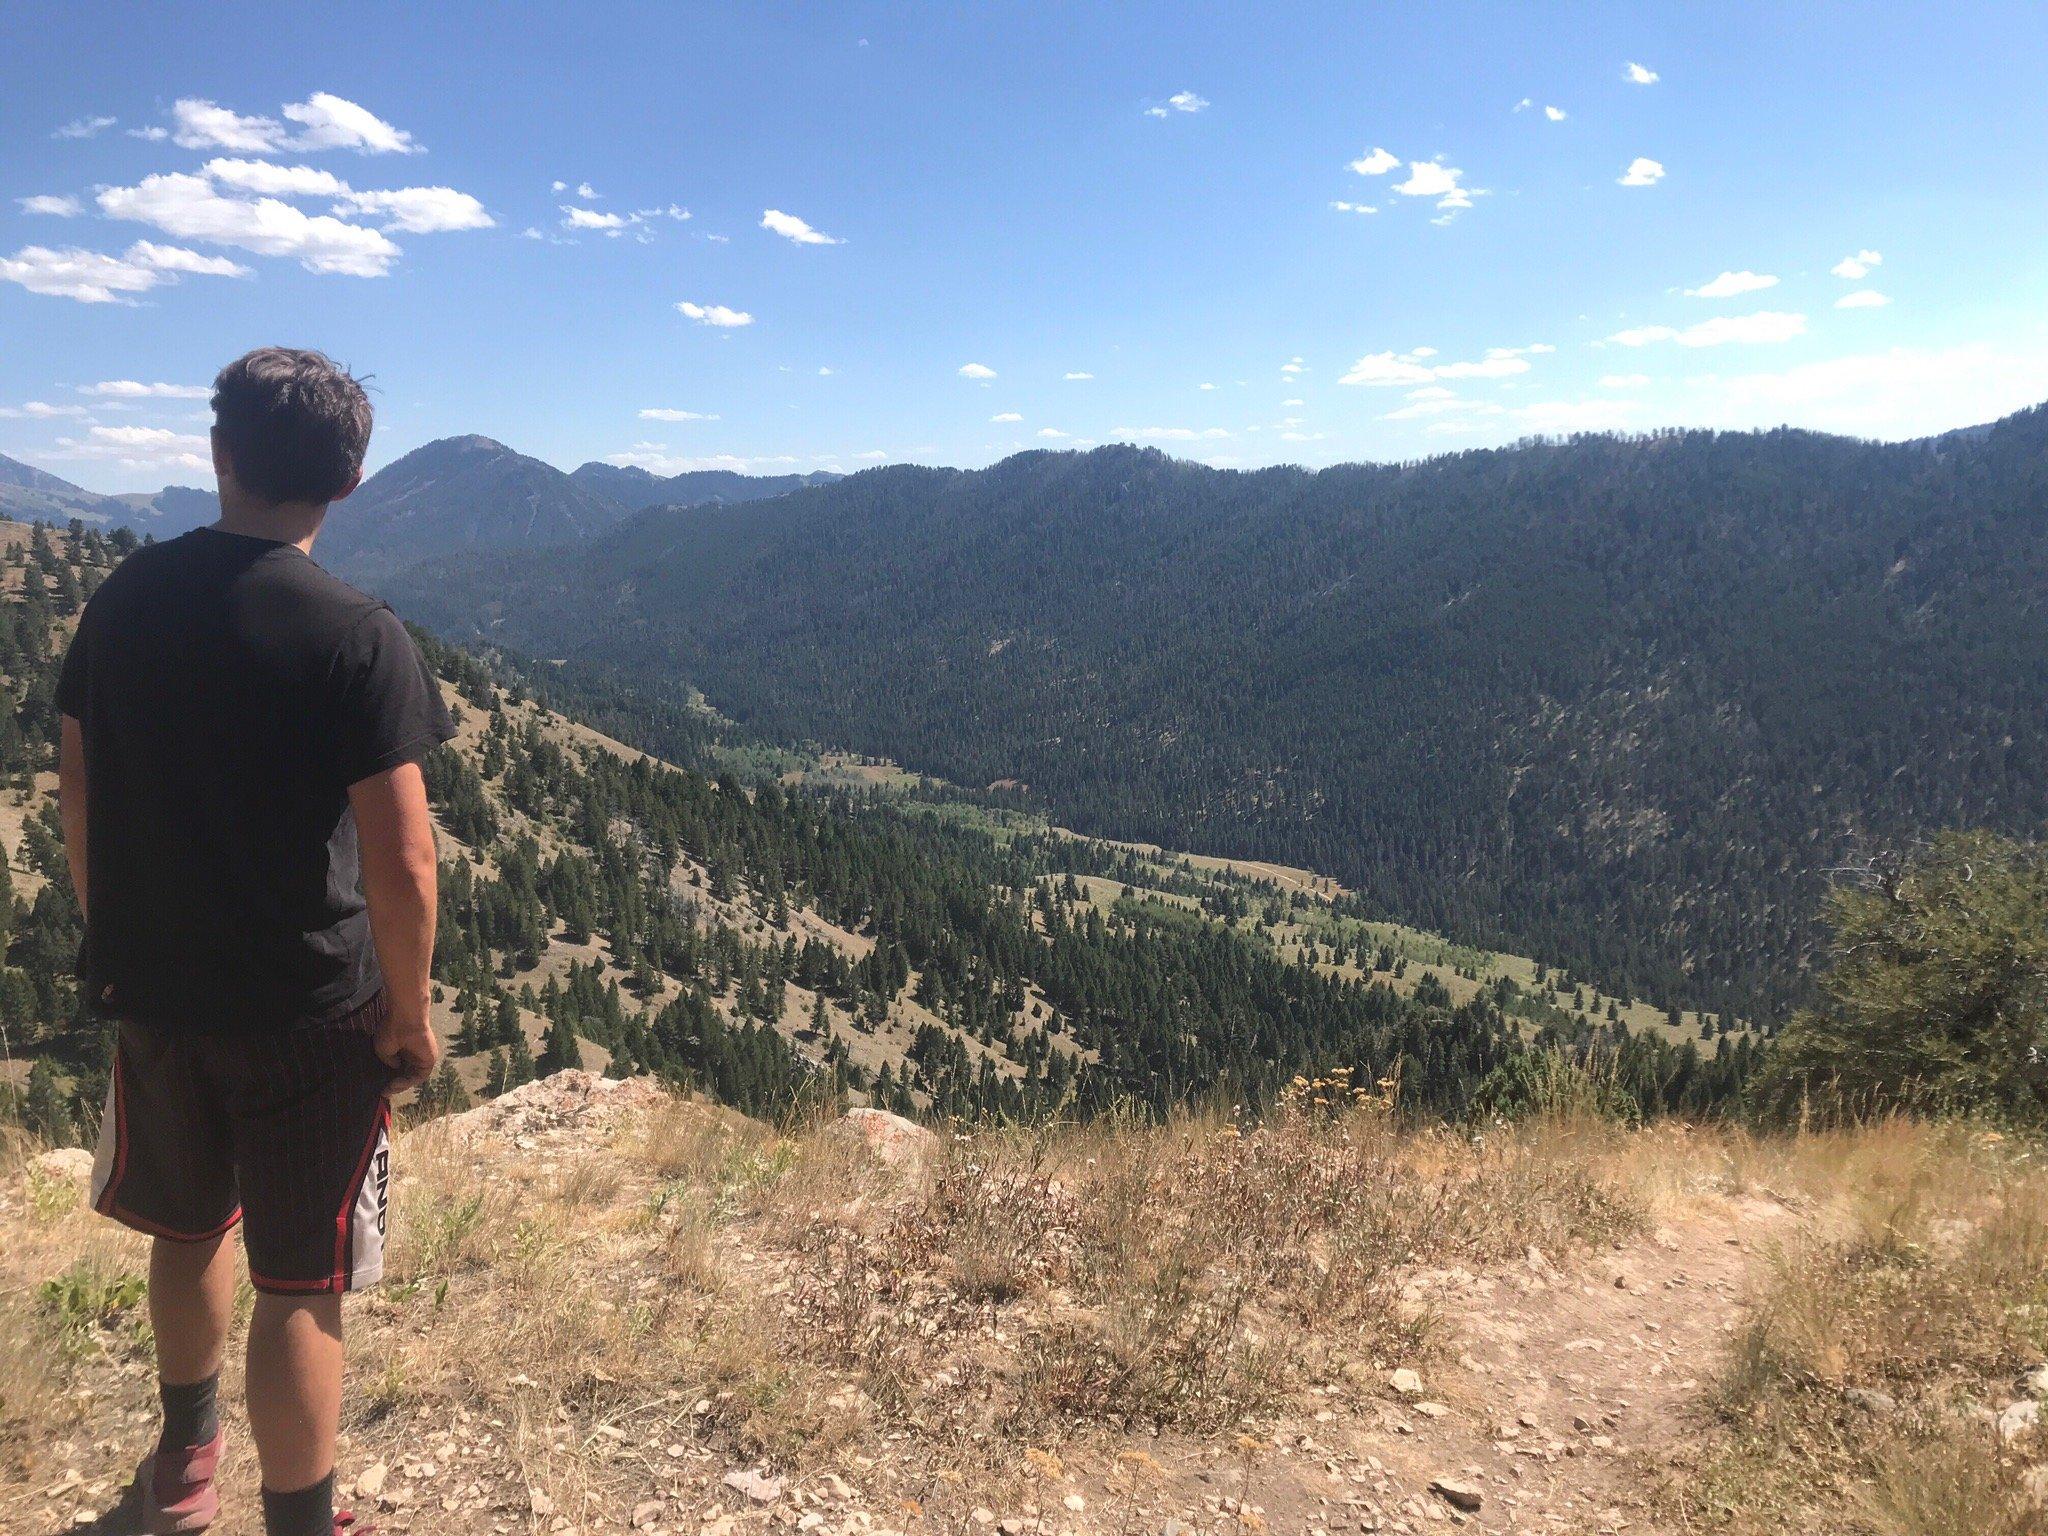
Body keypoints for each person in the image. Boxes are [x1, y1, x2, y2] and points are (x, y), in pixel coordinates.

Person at [57, 347, 454, 1536]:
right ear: (351, 477)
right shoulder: (354, 632)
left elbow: (78, 787)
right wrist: (407, 1013)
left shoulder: (123, 600)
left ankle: (185, 1466)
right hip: (308, 1010)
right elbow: (404, 859)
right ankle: (299, 1521)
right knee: (300, 1280)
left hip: (155, 991)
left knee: (186, 1234)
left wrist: (116, 936)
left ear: (219, 453)